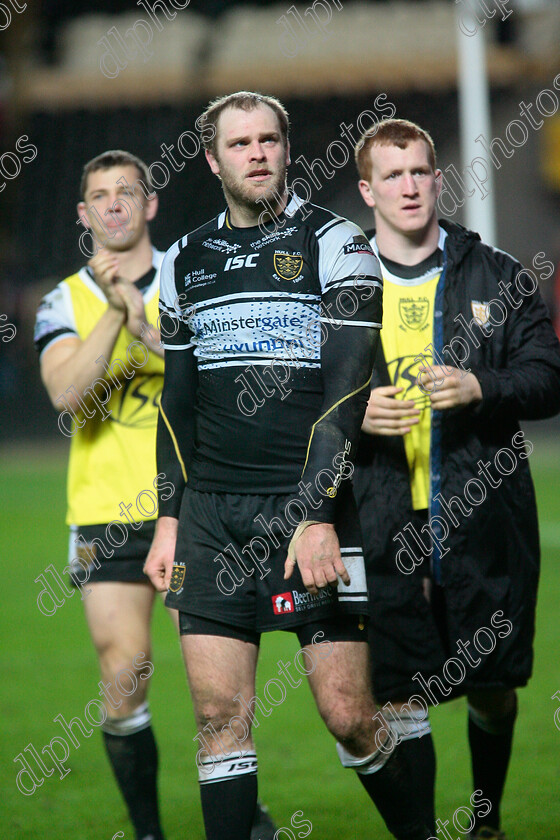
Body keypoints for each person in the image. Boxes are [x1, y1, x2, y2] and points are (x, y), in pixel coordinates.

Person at [144, 91, 432, 840]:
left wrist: (314, 514)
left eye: (269, 139)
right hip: (211, 517)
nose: (258, 154)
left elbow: (346, 394)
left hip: (309, 509)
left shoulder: (337, 244)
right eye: (239, 144)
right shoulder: (182, 261)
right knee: (216, 717)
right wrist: (169, 518)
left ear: (287, 148)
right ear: (212, 160)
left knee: (348, 716)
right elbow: (175, 404)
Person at [34, 149, 276, 840]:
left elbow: (228, 377)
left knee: (217, 682)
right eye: (99, 196)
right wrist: (115, 315)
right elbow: (65, 395)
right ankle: (147, 830)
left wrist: (147, 327)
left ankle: (243, 810)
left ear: (151, 204)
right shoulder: (65, 300)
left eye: (126, 192)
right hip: (107, 514)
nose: (114, 204)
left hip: (194, 506)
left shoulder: (195, 276)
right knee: (125, 670)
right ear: (83, 214)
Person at [353, 118, 560, 840]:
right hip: (382, 518)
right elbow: (302, 397)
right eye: (393, 175)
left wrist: (482, 387)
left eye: (420, 171)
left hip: (481, 511)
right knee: (401, 690)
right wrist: (355, 415)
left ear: (437, 179)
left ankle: (487, 817)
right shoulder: (343, 285)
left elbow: (548, 378)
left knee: (493, 682)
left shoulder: (495, 274)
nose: (409, 186)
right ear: (367, 190)